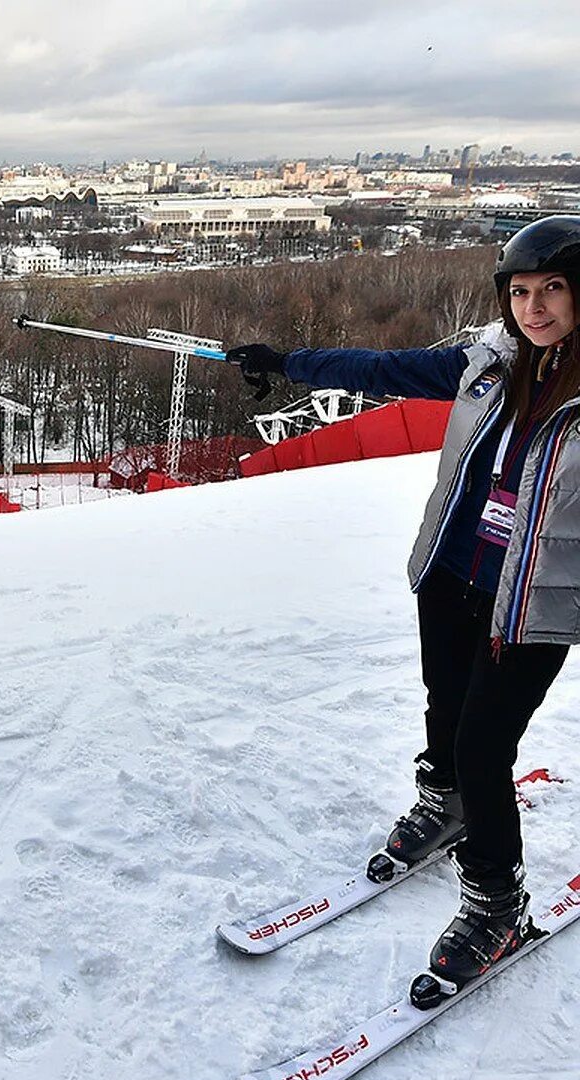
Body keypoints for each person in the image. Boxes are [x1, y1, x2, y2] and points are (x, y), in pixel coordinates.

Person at [225, 215, 580, 990]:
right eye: (520, 291)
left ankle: (496, 904)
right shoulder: (488, 361)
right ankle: (446, 803)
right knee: (444, 712)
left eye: (554, 287)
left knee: (486, 747)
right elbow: (387, 368)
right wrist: (289, 362)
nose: (535, 307)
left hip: (528, 603)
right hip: (453, 572)